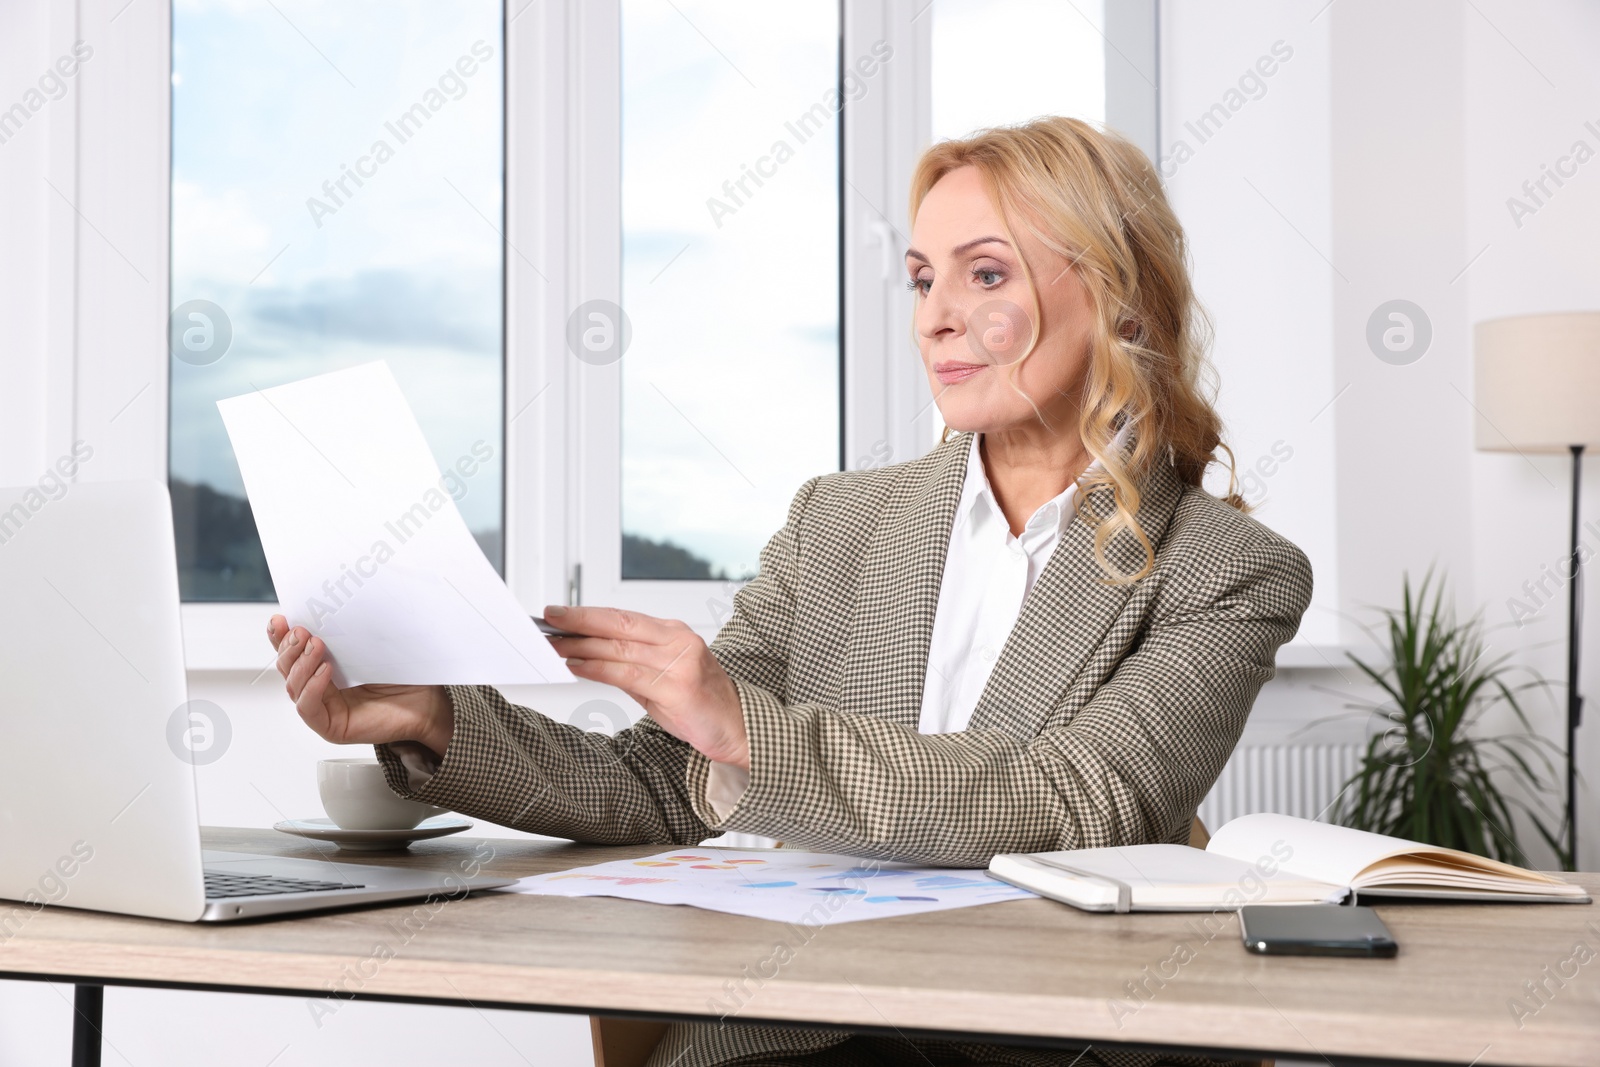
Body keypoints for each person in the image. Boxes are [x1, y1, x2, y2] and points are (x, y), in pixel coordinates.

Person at [269, 116, 1312, 1067]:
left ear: (1116, 293)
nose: (937, 318)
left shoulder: (1229, 568)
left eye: (984, 275)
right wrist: (430, 714)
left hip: (1037, 1029)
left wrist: (752, 734)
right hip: (795, 1017)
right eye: (920, 279)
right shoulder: (840, 522)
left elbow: (1082, 799)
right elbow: (660, 786)